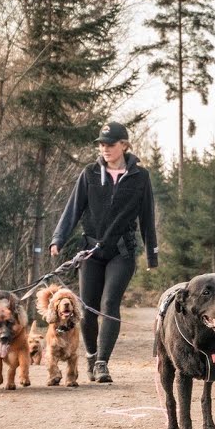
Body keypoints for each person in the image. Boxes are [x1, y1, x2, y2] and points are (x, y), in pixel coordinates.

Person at [50, 121, 158, 384]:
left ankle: (102, 363)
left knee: (109, 304)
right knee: (88, 307)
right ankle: (91, 355)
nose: (105, 149)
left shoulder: (140, 177)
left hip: (122, 251)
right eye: (101, 144)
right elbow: (73, 208)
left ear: (124, 145)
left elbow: (147, 216)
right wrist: (58, 238)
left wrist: (151, 254)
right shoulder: (89, 173)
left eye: (110, 144)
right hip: (90, 251)